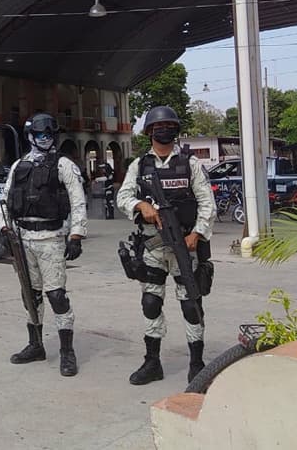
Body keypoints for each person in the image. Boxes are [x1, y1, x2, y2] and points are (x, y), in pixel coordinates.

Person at [116, 106, 216, 386]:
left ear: (176, 130)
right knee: (151, 302)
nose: (164, 130)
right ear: (148, 132)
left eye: (170, 126)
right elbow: (122, 197)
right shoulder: (139, 165)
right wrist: (140, 204)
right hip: (153, 247)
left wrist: (197, 233)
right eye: (158, 127)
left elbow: (207, 203)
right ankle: (152, 362)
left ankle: (197, 364)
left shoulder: (190, 164)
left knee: (191, 304)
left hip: (186, 245)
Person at [0, 113, 88, 377]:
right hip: (23, 238)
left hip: (51, 238)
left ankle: (67, 352)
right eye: (41, 134)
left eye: (49, 134)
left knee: (56, 296)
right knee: (30, 295)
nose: (46, 138)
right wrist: (4, 228)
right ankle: (36, 345)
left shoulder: (63, 165)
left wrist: (76, 235)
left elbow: (78, 201)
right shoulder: (18, 166)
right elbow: (5, 199)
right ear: (31, 136)